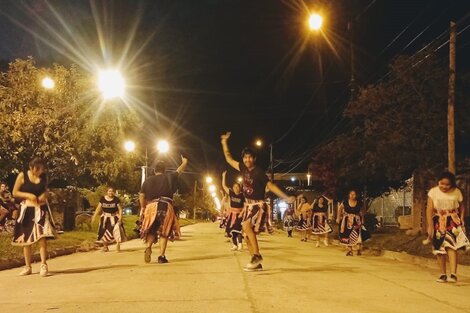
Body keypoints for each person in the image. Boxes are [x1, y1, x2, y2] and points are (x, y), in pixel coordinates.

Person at [221, 132, 295, 271]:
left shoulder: (259, 172)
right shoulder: (243, 168)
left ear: (254, 158)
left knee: (246, 226)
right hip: (248, 205)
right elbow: (229, 159)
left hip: (258, 205)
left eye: (250, 157)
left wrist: (285, 197)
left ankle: (257, 255)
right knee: (247, 235)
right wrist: (224, 142)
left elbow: (270, 185)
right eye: (245, 157)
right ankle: (256, 262)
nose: (247, 160)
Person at [139, 156, 188, 264]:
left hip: (151, 207)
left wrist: (143, 207)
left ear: (155, 170)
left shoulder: (147, 181)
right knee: (164, 233)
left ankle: (148, 247)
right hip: (165, 206)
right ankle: (161, 256)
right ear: (164, 170)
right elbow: (179, 171)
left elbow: (142, 196)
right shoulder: (169, 177)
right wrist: (185, 162)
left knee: (151, 230)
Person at [12, 158, 55, 277]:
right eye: (38, 169)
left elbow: (46, 191)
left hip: (40, 210)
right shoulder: (22, 176)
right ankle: (27, 266)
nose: (40, 171)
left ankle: (43, 265)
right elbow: (15, 192)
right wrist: (28, 195)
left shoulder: (43, 177)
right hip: (26, 209)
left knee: (42, 237)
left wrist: (44, 195)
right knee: (26, 239)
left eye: (42, 169)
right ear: (32, 168)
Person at [426, 171, 469, 283]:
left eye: (447, 184)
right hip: (438, 221)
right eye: (441, 183)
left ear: (452, 184)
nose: (444, 186)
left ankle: (453, 274)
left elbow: (462, 206)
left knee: (451, 247)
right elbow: (429, 209)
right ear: (438, 182)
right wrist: (430, 226)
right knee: (439, 249)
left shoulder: (457, 192)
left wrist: (462, 218)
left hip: (452, 221)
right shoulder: (433, 192)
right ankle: (442, 274)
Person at [92, 187, 126, 252]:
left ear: (114, 192)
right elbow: (98, 208)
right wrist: (94, 216)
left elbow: (120, 209)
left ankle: (118, 245)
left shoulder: (116, 199)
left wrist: (120, 217)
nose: (110, 193)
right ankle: (105, 247)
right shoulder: (102, 199)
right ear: (107, 192)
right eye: (109, 191)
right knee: (103, 231)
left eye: (112, 191)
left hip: (114, 218)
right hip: (105, 218)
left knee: (116, 231)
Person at [222, 171, 245, 251]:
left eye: (237, 187)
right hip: (232, 215)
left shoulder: (242, 195)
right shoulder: (231, 193)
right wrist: (224, 176)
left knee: (238, 230)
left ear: (240, 188)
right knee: (231, 230)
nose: (236, 188)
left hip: (239, 215)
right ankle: (234, 245)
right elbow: (224, 186)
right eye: (234, 187)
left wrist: (242, 213)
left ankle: (240, 244)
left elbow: (245, 206)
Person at [336, 190, 364, 256]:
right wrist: (338, 217)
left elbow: (362, 211)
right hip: (347, 221)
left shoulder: (359, 203)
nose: (352, 196)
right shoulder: (345, 202)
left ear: (356, 195)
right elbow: (339, 208)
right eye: (351, 194)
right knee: (347, 234)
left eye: (354, 194)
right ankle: (350, 250)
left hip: (356, 220)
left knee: (357, 234)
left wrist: (362, 219)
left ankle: (358, 249)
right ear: (349, 195)